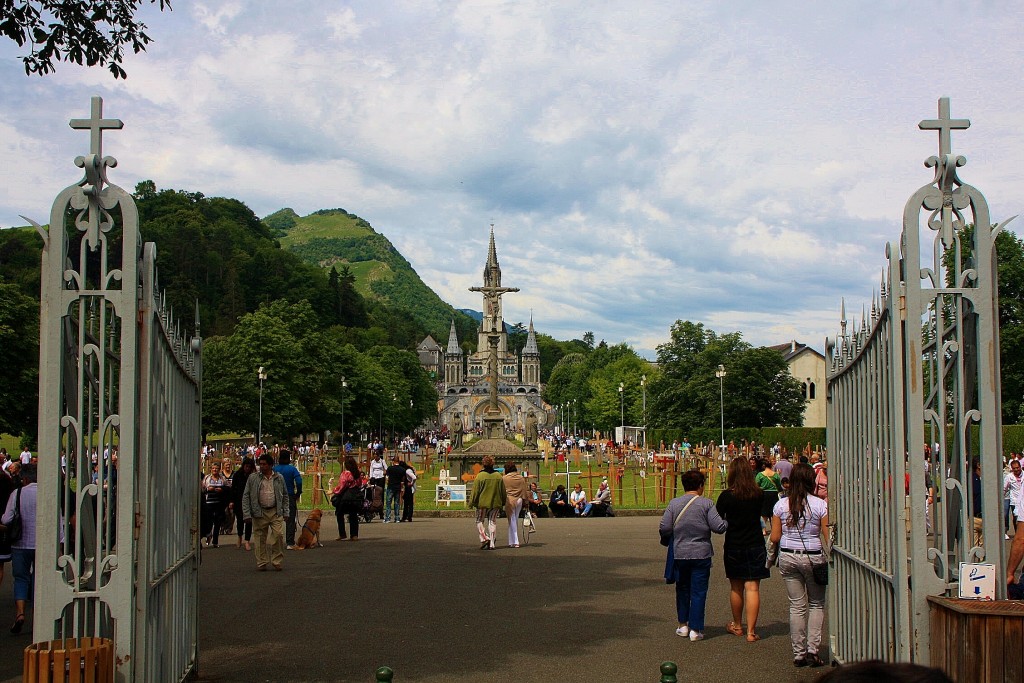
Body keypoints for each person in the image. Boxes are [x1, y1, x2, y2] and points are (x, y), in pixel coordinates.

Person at [770, 463, 828, 668]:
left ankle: (798, 652)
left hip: (788, 555)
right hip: (813, 556)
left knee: (796, 605)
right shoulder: (820, 505)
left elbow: (775, 536)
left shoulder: (781, 505)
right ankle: (813, 649)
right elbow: (827, 536)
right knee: (816, 603)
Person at [659, 469, 727, 642]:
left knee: (682, 589)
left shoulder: (674, 504)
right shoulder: (706, 504)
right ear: (701, 485)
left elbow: (665, 527)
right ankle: (695, 629)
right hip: (701, 552)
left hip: (680, 553)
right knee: (699, 591)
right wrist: (727, 521)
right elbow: (718, 527)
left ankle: (683, 624)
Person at [716, 456, 769, 642]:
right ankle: (751, 632)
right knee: (753, 587)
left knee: (736, 587)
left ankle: (738, 626)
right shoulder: (758, 494)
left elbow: (718, 518)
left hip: (734, 543)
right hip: (755, 542)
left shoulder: (726, 495)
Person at [1, 463, 36, 634]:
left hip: (20, 543)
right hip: (41, 544)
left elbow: (7, 519)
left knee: (21, 578)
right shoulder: (47, 492)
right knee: (39, 580)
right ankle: (38, 614)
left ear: (25, 478)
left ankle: (20, 613)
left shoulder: (18, 493)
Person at [242, 453, 289, 571]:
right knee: (259, 538)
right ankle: (262, 562)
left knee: (278, 535)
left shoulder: (279, 478)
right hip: (259, 511)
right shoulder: (253, 478)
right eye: (260, 464)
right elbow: (246, 496)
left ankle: (276, 560)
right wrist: (246, 513)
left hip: (275, 511)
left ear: (271, 465)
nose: (261, 466)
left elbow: (285, 496)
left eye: (264, 464)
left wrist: (286, 511)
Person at [469, 455, 505, 550]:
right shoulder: (498, 476)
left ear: (483, 464)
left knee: (479, 520)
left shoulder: (480, 476)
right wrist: (503, 502)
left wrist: (471, 502)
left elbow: (475, 491)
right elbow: (503, 491)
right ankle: (492, 543)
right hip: (495, 503)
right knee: (492, 521)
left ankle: (485, 537)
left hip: (482, 503)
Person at [273, 451, 302, 549]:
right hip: (289, 495)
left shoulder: (274, 469)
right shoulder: (292, 469)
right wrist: (298, 493)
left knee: (275, 520)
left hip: (275, 496)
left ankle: (276, 541)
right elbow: (299, 481)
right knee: (290, 519)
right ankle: (290, 542)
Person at [332, 456, 363, 541]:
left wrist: (334, 491)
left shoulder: (345, 474)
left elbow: (342, 486)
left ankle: (342, 533)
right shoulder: (357, 474)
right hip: (355, 496)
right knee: (353, 515)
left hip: (345, 497)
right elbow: (360, 484)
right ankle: (354, 535)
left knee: (339, 513)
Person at [229, 457, 255, 550]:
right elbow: (233, 488)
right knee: (240, 520)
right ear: (243, 466)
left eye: (249, 467)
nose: (247, 468)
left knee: (249, 521)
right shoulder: (237, 475)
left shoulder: (253, 476)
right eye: (246, 466)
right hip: (238, 500)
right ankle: (239, 536)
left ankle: (247, 540)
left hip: (250, 501)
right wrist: (231, 501)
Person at [201, 462, 229, 547]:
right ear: (211, 469)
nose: (215, 470)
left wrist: (221, 489)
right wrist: (208, 489)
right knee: (209, 521)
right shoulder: (207, 478)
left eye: (216, 468)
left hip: (219, 503)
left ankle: (215, 542)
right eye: (213, 468)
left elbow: (228, 488)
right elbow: (202, 489)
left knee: (217, 522)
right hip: (209, 503)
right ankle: (208, 534)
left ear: (219, 470)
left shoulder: (222, 478)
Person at [503, 463, 527, 547]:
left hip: (510, 499)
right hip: (519, 499)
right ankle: (512, 541)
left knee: (511, 520)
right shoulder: (521, 478)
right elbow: (524, 490)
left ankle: (515, 541)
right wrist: (525, 501)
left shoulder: (504, 478)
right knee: (515, 519)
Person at [755, 458, 781, 533]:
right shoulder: (775, 475)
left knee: (763, 513)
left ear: (764, 466)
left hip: (764, 494)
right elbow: (779, 486)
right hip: (774, 494)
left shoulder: (760, 475)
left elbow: (756, 485)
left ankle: (763, 530)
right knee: (773, 513)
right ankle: (774, 529)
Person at [384, 454, 406, 523]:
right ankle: (397, 518)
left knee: (388, 502)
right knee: (397, 503)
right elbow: (403, 478)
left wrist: (387, 482)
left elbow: (387, 477)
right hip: (398, 487)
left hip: (391, 486)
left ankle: (387, 518)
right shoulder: (402, 469)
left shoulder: (390, 468)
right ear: (398, 461)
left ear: (393, 461)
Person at [1005, 459, 1023, 539]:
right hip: (1015, 502)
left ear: (1020, 467)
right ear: (1012, 468)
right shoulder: (1009, 477)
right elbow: (1004, 488)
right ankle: (1018, 535)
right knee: (1017, 519)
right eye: (1014, 468)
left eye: (1017, 467)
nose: (1016, 469)